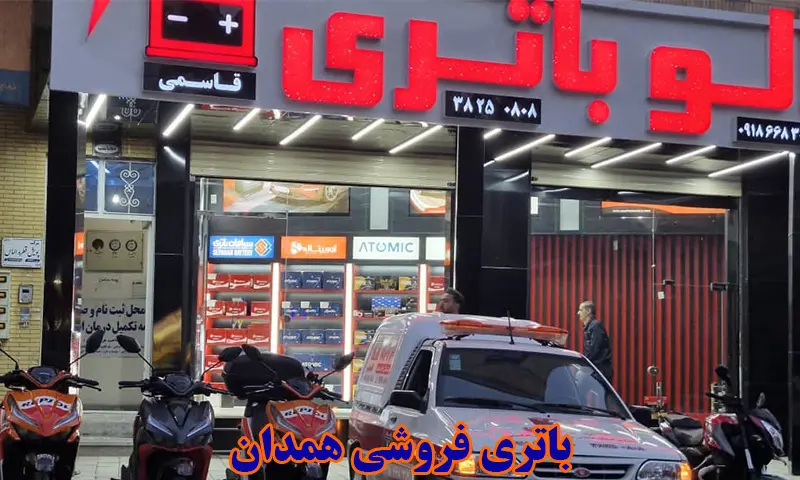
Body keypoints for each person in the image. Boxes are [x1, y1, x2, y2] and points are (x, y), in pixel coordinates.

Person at [577, 300, 613, 382]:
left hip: (599, 371)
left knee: (579, 383)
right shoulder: (590, 327)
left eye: (580, 310)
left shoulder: (595, 326)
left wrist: (584, 362)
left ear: (589, 311)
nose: (578, 313)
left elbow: (595, 349)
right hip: (594, 369)